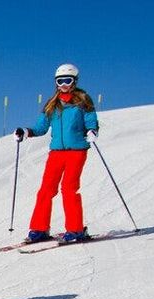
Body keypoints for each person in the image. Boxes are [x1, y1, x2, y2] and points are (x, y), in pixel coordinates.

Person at [14, 63, 100, 243]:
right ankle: (39, 229)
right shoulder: (52, 104)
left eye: (67, 80)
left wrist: (92, 131)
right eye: (60, 81)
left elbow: (91, 121)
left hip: (76, 151)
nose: (63, 85)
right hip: (56, 153)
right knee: (46, 189)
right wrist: (26, 131)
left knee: (69, 188)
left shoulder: (83, 102)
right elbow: (41, 127)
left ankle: (76, 230)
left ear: (74, 81)